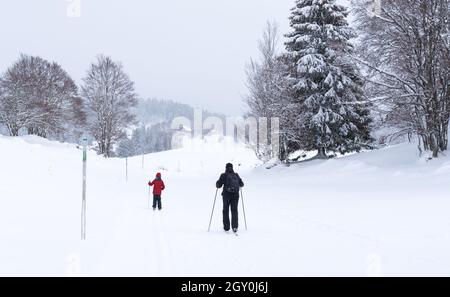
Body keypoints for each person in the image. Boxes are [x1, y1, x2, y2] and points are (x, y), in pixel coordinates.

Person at [216, 163, 244, 233]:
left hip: (226, 195)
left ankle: (226, 228)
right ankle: (235, 227)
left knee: (225, 210)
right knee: (234, 210)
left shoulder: (223, 175)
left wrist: (217, 183)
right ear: (232, 168)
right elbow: (242, 184)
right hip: (235, 195)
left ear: (226, 168)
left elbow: (218, 185)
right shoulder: (236, 175)